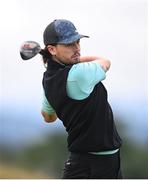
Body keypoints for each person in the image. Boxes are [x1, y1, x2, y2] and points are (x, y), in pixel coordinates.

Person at [40, 19, 122, 179]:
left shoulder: (48, 81)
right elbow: (105, 62)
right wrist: (78, 60)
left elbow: (48, 117)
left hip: (79, 160)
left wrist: (51, 63)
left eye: (77, 42)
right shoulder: (78, 74)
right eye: (69, 44)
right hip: (103, 163)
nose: (77, 48)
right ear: (52, 49)